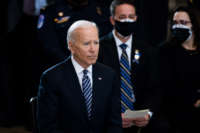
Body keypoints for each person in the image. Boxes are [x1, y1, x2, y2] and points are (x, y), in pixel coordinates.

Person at [37, 20, 122, 133]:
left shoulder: (109, 75)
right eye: (86, 43)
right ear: (71, 46)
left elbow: (115, 123)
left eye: (96, 43)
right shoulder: (52, 78)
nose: (93, 49)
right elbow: (48, 127)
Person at [98, 0, 162, 133]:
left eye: (131, 17)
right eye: (122, 17)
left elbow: (155, 87)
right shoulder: (98, 48)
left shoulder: (147, 50)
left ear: (136, 18)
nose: (127, 21)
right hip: (107, 119)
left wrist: (148, 114)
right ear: (112, 20)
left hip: (140, 118)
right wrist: (112, 116)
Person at [159, 6, 200, 133]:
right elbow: (167, 85)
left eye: (183, 23)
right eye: (175, 23)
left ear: (193, 25)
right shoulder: (165, 51)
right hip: (177, 112)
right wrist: (194, 100)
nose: (178, 26)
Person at [37, 0, 112, 68]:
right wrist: (74, 65)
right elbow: (50, 45)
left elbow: (109, 39)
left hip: (100, 66)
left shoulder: (103, 8)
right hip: (65, 68)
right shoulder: (51, 11)